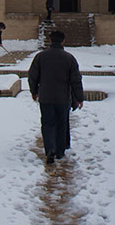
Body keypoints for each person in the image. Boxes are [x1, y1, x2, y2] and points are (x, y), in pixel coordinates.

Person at [27, 30, 83, 164]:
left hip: (45, 96)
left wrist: (34, 91)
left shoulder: (41, 57)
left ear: (50, 41)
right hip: (63, 97)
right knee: (61, 124)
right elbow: (76, 80)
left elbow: (33, 76)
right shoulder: (69, 58)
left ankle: (50, 149)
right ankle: (59, 151)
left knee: (47, 123)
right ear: (63, 41)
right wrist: (79, 97)